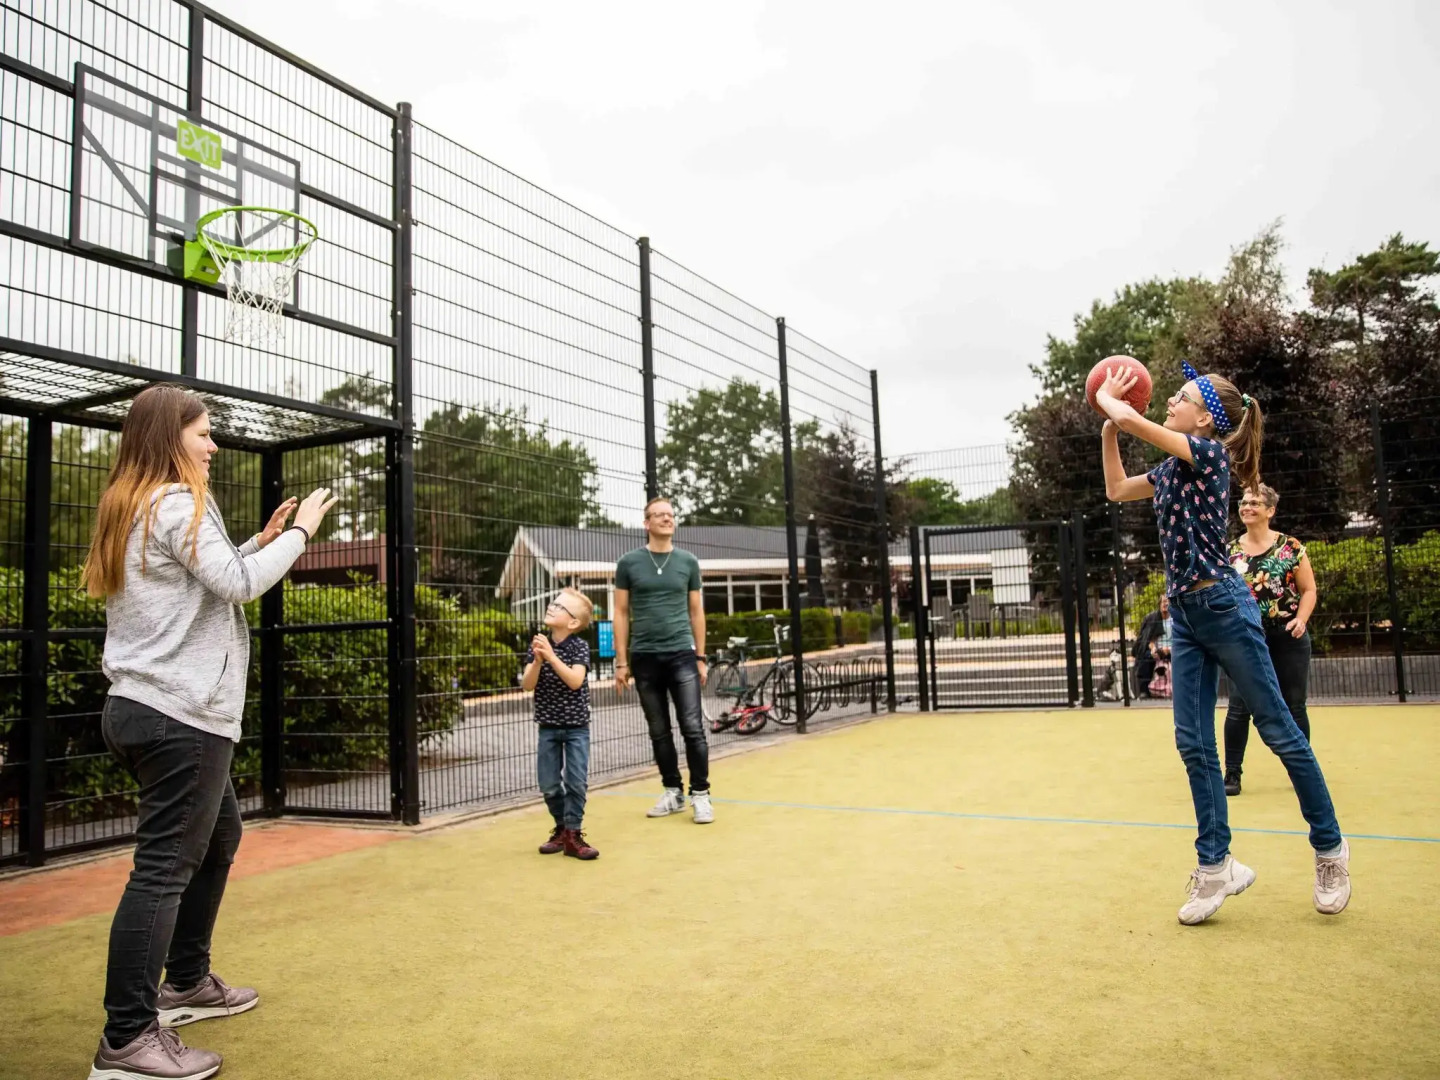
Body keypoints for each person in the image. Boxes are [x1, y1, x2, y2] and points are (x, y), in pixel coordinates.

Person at [81, 383, 337, 1080]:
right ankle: (128, 1039)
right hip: (180, 716)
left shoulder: (134, 503)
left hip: (142, 708)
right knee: (163, 870)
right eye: (204, 433)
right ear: (172, 437)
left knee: (219, 838)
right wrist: (298, 534)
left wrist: (256, 539)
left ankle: (187, 981)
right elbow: (240, 586)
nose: (214, 445)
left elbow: (204, 577)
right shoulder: (174, 500)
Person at [1096, 361, 1349, 925]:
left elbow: (1137, 420)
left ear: (1205, 416)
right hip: (1185, 614)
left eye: (1180, 396)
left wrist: (1117, 404)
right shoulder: (1168, 471)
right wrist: (1109, 425)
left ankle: (1330, 849)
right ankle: (1217, 867)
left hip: (1225, 608)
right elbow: (1115, 489)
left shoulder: (1211, 457)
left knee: (1280, 730)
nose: (1170, 401)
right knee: (1193, 743)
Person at [612, 496, 713, 824]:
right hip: (644, 659)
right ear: (647, 523)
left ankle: (701, 795)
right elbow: (621, 613)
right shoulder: (628, 563)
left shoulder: (688, 562)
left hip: (682, 655)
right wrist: (621, 662)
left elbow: (696, 611)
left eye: (670, 515)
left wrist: (700, 656)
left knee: (693, 728)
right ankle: (673, 792)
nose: (667, 519)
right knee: (658, 731)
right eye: (659, 515)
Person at [1223, 484, 1317, 796]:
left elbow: (1309, 590)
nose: (1247, 507)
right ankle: (1232, 774)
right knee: (1239, 707)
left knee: (1294, 705)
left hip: (1288, 636)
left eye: (1254, 503)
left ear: (1270, 510)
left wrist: (1301, 619)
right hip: (1246, 639)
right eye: (1244, 502)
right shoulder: (1229, 553)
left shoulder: (1290, 547)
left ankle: (1302, 770)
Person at [523, 587, 599, 859]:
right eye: (552, 603)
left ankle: (574, 834)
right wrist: (537, 660)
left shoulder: (578, 647)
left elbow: (575, 680)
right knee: (549, 785)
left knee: (576, 782)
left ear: (574, 622)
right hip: (548, 727)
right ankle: (562, 828)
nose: (551, 607)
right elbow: (527, 685)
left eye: (559, 606)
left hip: (577, 728)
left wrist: (552, 658)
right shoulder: (538, 646)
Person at [1132, 595, 1171, 697]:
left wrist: (1170, 649)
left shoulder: (1175, 619)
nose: (1166, 604)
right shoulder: (1152, 618)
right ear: (1159, 604)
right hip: (1157, 649)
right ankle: (1144, 691)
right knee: (1145, 657)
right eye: (1163, 602)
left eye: (1168, 601)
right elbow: (1149, 639)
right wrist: (1153, 649)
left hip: (1173, 649)